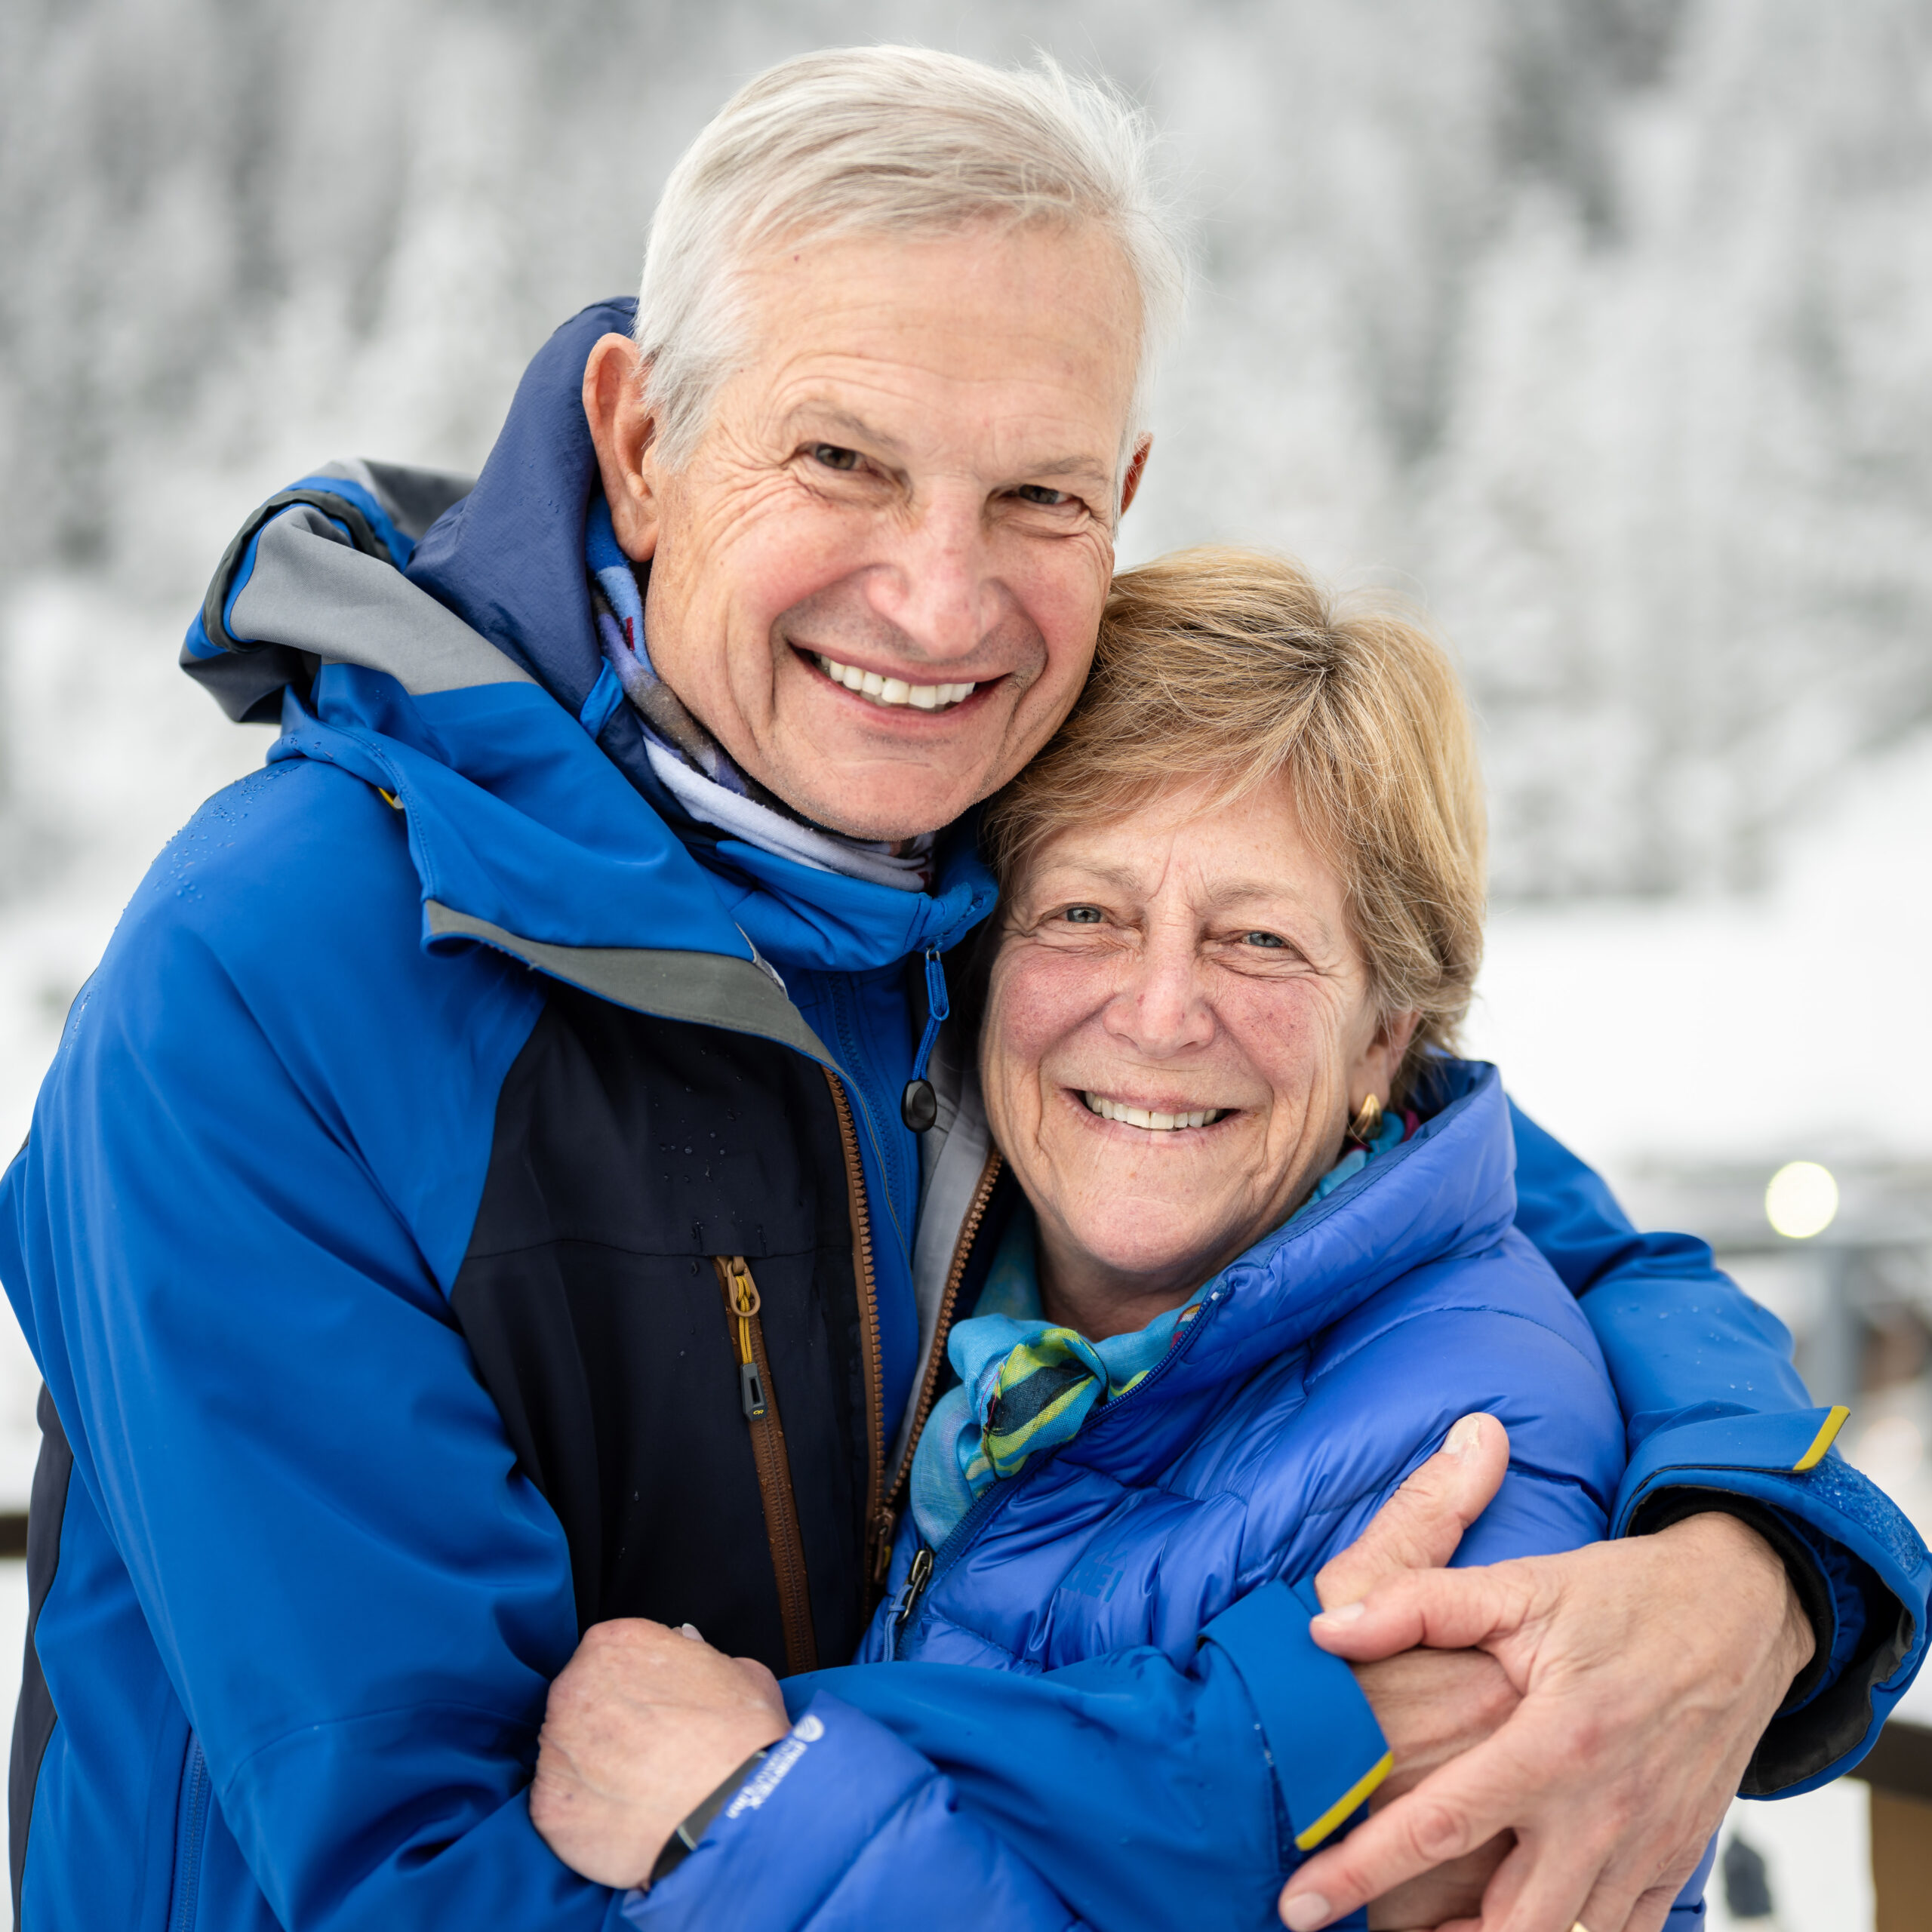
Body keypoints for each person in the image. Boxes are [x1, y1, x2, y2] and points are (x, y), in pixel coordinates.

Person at [0, 44, 1923, 1932]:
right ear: (643, 439)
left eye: (1037, 496)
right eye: (842, 457)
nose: (935, 599)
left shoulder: (995, 833)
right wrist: (1301, 1744)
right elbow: (437, 1870)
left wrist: (1743, 1554)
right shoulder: (272, 981)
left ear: (1122, 493)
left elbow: (1464, 1208)